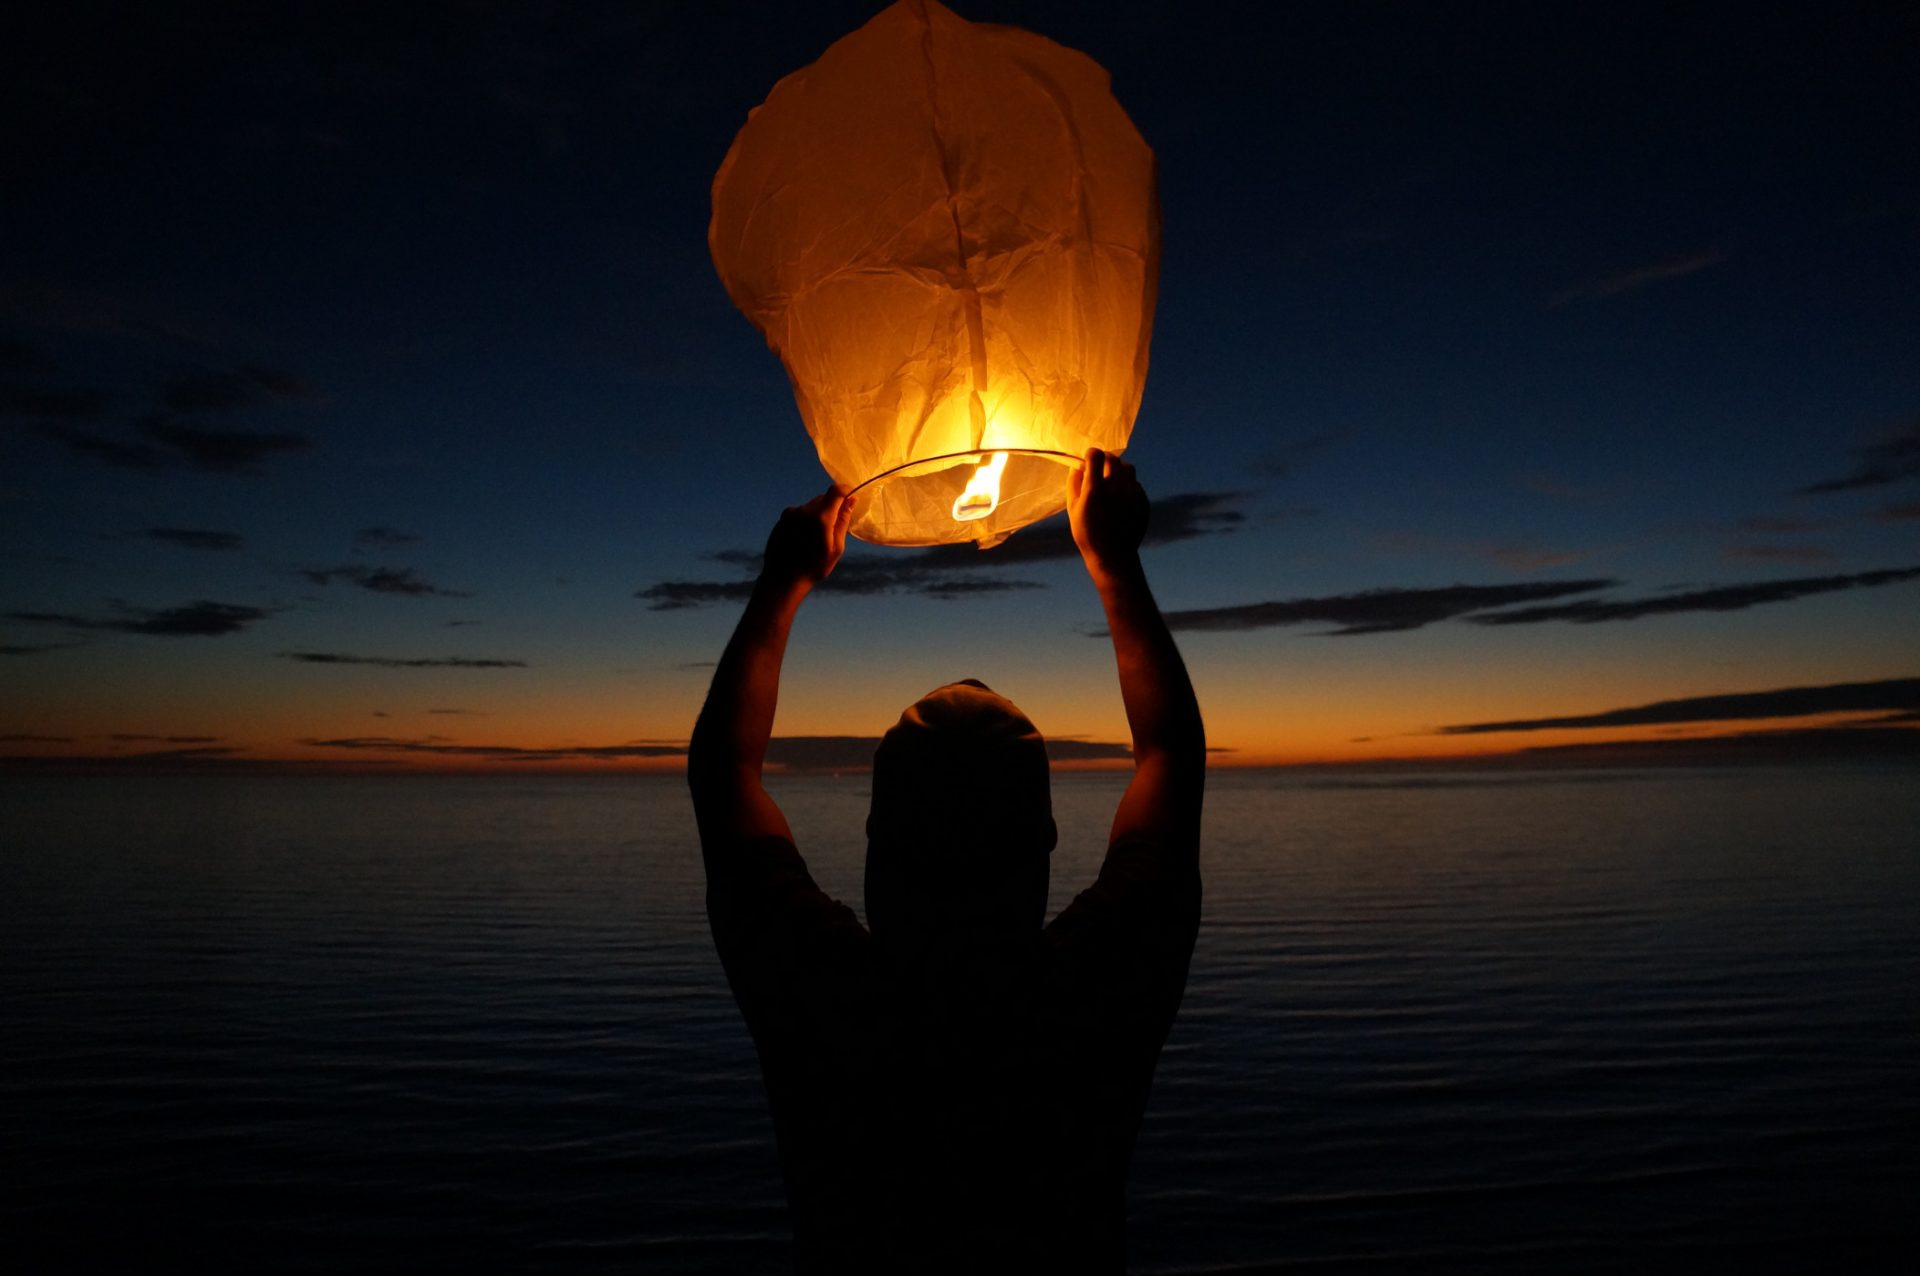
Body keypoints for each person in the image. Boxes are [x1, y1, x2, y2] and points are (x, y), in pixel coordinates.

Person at [688, 448, 1204, 1273]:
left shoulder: (821, 997)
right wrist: (1114, 562)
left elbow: (720, 775)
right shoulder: (1100, 991)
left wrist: (783, 581)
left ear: (876, 842)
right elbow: (1172, 757)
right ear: (1043, 845)